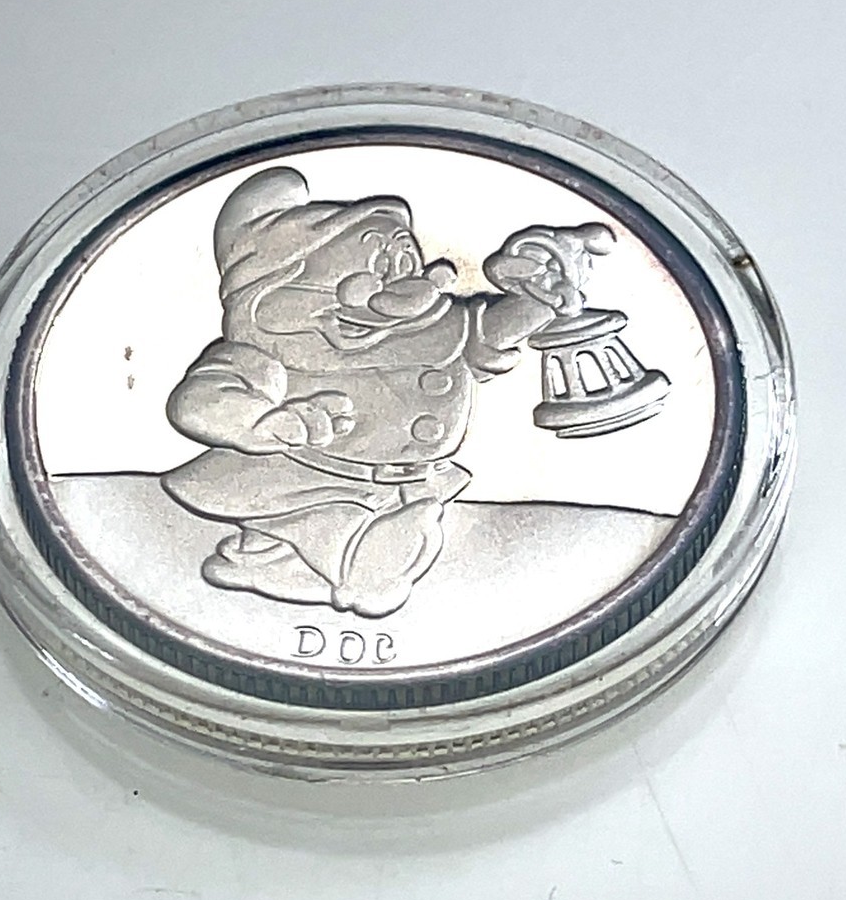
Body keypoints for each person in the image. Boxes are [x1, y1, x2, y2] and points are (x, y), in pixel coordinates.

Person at [161, 166, 613, 617]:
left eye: (406, 264)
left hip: (404, 483)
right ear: (277, 294)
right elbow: (198, 402)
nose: (409, 287)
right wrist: (259, 425)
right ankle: (339, 569)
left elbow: (490, 331)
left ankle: (295, 562)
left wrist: (539, 301)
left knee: (378, 533)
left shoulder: (431, 328)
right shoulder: (265, 354)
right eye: (377, 269)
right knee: (337, 533)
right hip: (315, 480)